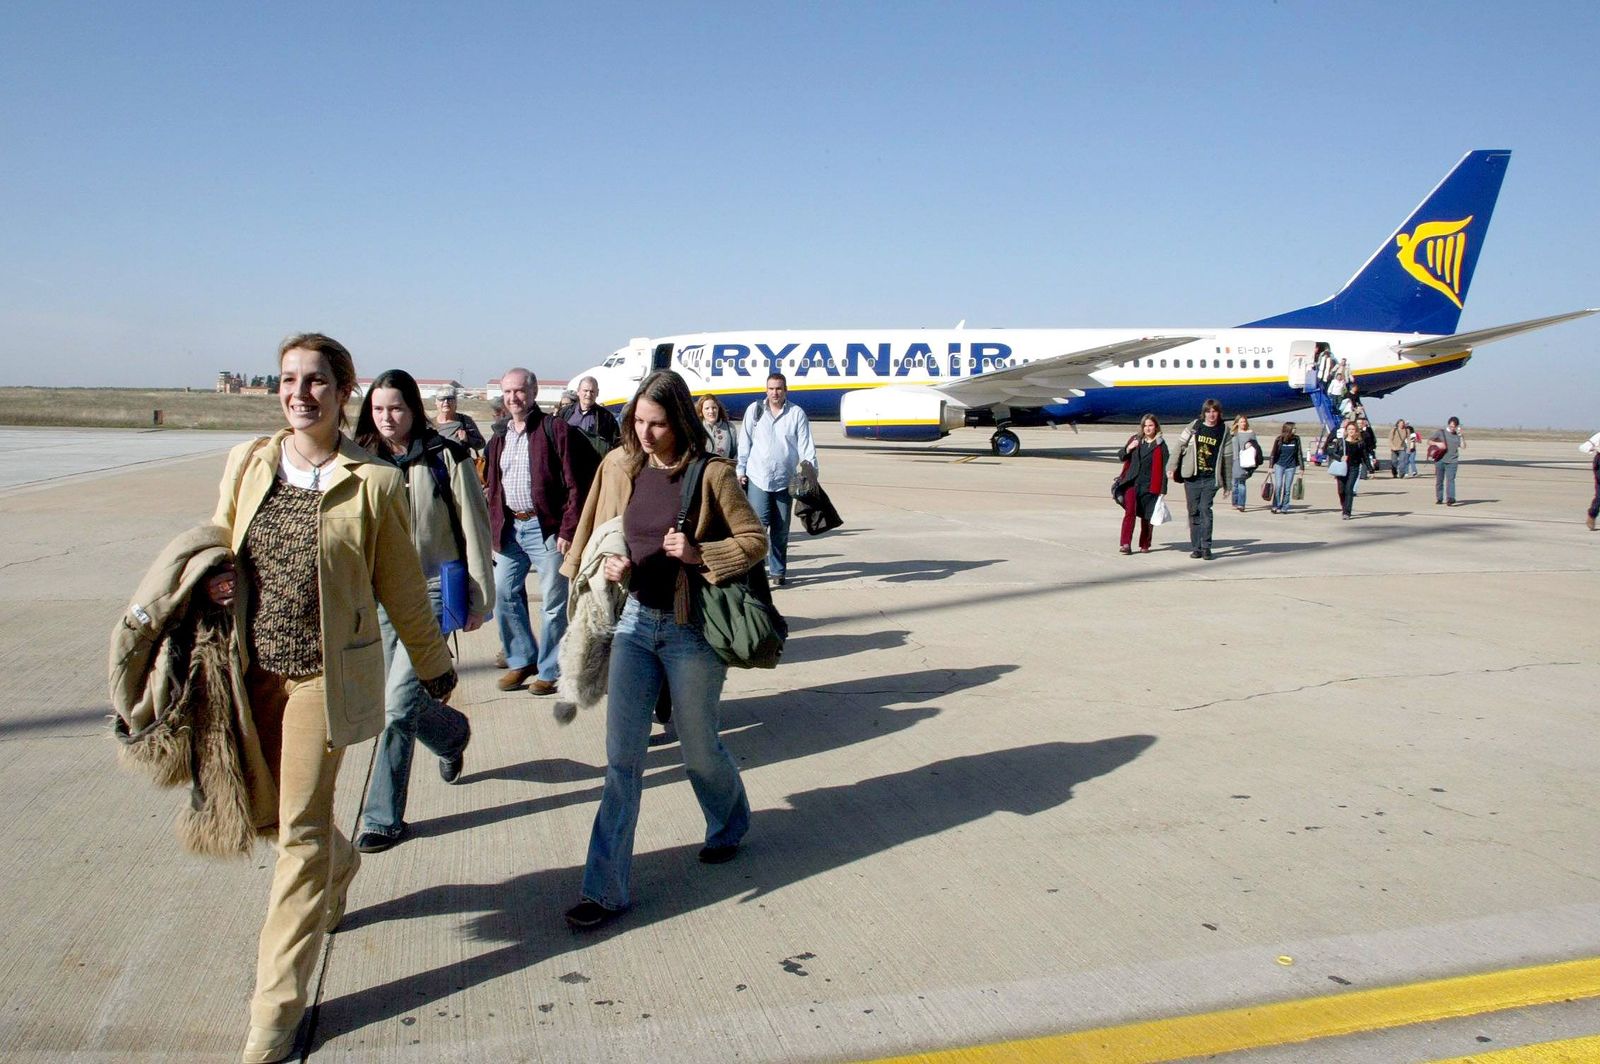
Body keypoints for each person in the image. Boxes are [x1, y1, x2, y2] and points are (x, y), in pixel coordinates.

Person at [205, 334, 456, 1064]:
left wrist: (433, 663)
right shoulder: (249, 463)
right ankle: (341, 867)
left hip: (325, 677)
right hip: (251, 673)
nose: (300, 393)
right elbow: (219, 541)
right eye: (289, 379)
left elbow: (402, 586)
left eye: (316, 381)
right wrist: (210, 581)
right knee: (270, 819)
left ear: (343, 391)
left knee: (300, 839)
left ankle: (274, 1012)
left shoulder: (371, 482)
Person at [558, 370, 767, 931]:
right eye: (638, 423)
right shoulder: (633, 470)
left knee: (699, 751)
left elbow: (755, 540)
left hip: (690, 632)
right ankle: (604, 890)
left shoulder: (712, 474)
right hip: (635, 625)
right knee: (622, 763)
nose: (644, 434)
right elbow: (628, 537)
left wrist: (701, 554)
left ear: (680, 421)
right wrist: (618, 567)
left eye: (656, 424)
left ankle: (729, 821)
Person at [350, 370, 496, 854]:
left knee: (395, 708)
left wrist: (478, 599)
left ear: (413, 409)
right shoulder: (357, 461)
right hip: (377, 598)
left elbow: (474, 528)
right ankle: (451, 733)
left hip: (431, 594)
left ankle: (382, 818)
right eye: (378, 409)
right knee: (398, 701)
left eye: (396, 408)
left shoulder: (444, 457)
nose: (387, 418)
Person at [483, 367, 589, 694]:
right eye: (508, 392)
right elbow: (493, 487)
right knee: (503, 594)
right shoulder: (499, 437)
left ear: (533, 392)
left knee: (554, 602)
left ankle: (551, 668)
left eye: (519, 391)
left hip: (547, 529)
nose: (514, 398)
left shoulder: (554, 430)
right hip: (511, 528)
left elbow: (576, 485)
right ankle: (521, 659)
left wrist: (568, 530)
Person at [736, 372, 816, 586]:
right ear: (766, 390)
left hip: (784, 479)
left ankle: (778, 572)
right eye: (771, 388)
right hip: (758, 477)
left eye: (779, 388)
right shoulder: (755, 411)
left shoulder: (796, 413)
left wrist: (810, 471)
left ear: (785, 390)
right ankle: (755, 571)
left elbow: (806, 446)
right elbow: (745, 443)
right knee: (758, 528)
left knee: (781, 529)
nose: (775, 392)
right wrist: (740, 470)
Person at [1170, 398, 1234, 560]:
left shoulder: (1224, 430)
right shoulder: (1195, 426)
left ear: (1219, 413)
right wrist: (1171, 467)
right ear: (1204, 413)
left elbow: (1227, 457)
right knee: (1193, 512)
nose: (1211, 415)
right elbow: (1179, 446)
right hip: (1192, 477)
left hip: (1211, 478)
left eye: (1214, 411)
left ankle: (1206, 547)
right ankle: (1196, 547)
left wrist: (1227, 484)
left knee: (1205, 509)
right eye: (1208, 411)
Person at [1114, 414, 1168, 553]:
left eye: (1150, 425)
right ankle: (1125, 544)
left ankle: (1145, 544)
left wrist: (1162, 490)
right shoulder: (1135, 440)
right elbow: (1121, 456)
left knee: (1146, 516)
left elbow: (1164, 469)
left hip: (1150, 485)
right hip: (1132, 482)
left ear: (1155, 427)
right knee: (1130, 512)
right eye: (1145, 426)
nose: (1148, 428)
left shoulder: (1160, 445)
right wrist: (1129, 448)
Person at [563, 374, 622, 452]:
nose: (588, 394)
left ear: (597, 393)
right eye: (585, 391)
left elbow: (616, 445)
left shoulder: (606, 418)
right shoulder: (565, 412)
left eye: (592, 391)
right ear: (578, 391)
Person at [1327, 420, 1368, 519]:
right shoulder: (1341, 442)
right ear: (1346, 430)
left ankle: (1347, 512)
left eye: (1353, 429)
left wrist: (1370, 468)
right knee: (1341, 491)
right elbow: (1331, 452)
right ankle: (1344, 505)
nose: (1351, 431)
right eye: (1349, 429)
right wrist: (1340, 458)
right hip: (1342, 469)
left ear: (1356, 431)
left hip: (1354, 468)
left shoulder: (1360, 443)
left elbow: (1364, 456)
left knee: (1349, 489)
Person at [1268, 421, 1307, 513]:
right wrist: (1270, 466)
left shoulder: (1296, 439)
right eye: (1294, 428)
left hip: (1291, 466)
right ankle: (1275, 505)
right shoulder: (1279, 439)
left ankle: (1285, 506)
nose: (1295, 429)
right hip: (1279, 465)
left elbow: (1299, 454)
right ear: (1288, 429)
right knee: (1278, 486)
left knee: (1287, 488)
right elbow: (1273, 453)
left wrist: (1302, 467)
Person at [433, 387, 485, 453]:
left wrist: (467, 439)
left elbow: (481, 444)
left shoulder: (465, 421)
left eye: (450, 398)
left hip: (461, 462)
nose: (446, 402)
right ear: (436, 403)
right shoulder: (429, 424)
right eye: (442, 399)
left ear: (456, 402)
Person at [1430, 416, 1464, 505]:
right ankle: (1439, 498)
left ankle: (1450, 498)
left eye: (1455, 427)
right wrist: (1438, 443)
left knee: (1451, 480)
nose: (1453, 428)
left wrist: (1461, 436)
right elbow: (1429, 441)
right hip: (1440, 460)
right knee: (1439, 481)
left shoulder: (1457, 435)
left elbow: (1463, 446)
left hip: (1452, 461)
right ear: (1448, 424)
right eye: (1451, 426)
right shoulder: (1440, 432)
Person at [1229, 414, 1259, 511]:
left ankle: (1241, 504)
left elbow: (1256, 447)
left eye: (1244, 421)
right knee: (1234, 485)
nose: (1243, 423)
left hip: (1246, 461)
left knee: (1242, 483)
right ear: (1237, 423)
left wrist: (1251, 445)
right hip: (1234, 461)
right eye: (1241, 422)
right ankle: (1235, 501)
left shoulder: (1251, 433)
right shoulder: (1234, 434)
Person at [699, 394, 738, 460]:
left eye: (714, 408)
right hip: (703, 469)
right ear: (701, 411)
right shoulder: (697, 428)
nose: (711, 411)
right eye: (707, 408)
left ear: (718, 409)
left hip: (723, 468)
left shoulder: (730, 428)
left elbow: (734, 453)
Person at [1582, 430, 1600, 530]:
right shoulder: (1599, 436)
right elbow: (1583, 447)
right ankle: (1592, 515)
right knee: (1599, 497)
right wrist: (1595, 447)